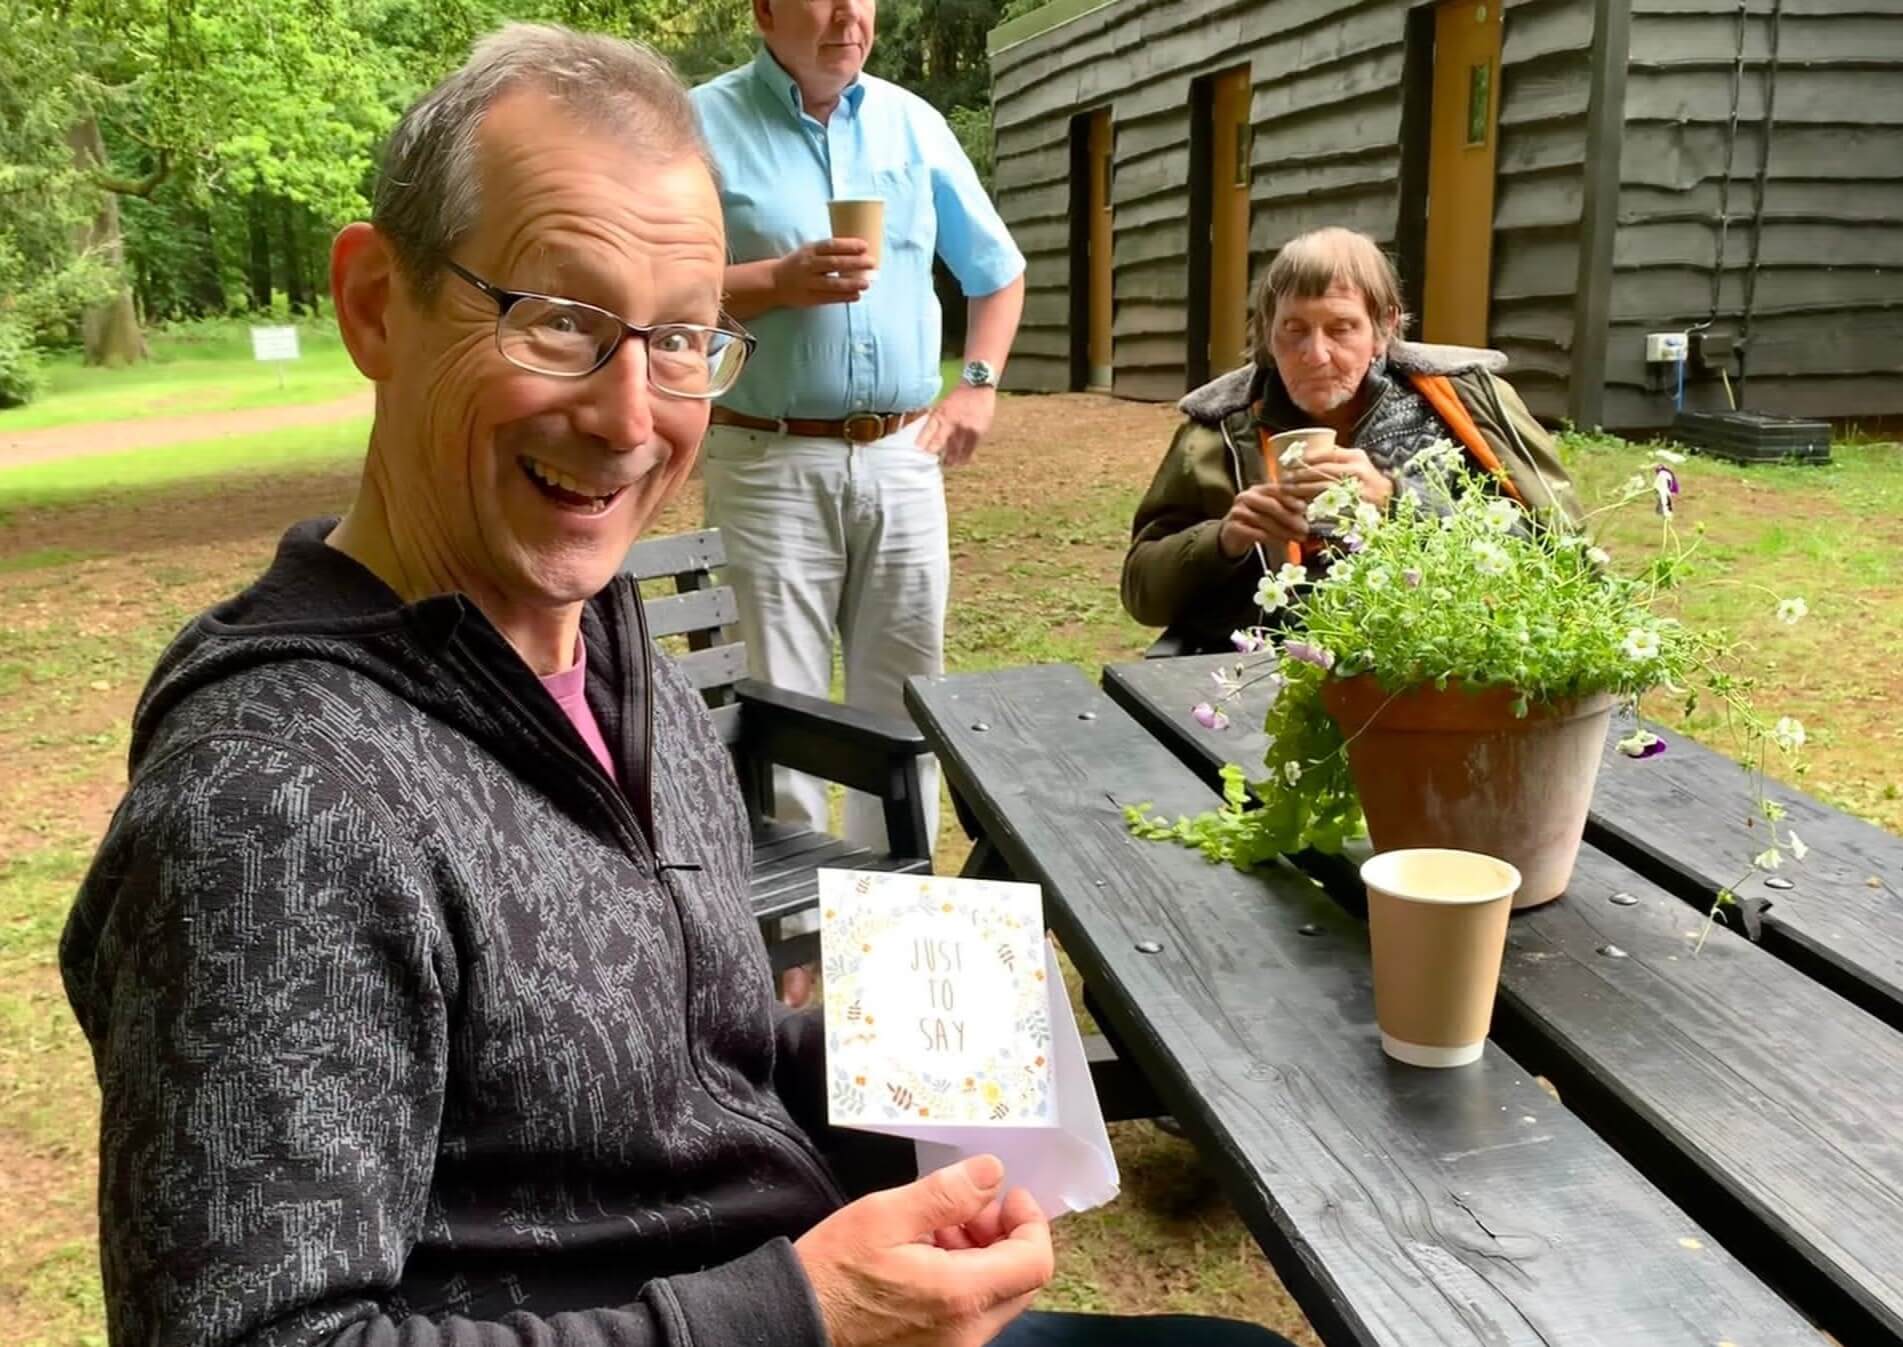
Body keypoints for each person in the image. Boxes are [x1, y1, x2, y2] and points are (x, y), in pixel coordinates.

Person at [58, 24, 1293, 1347]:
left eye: (685, 339)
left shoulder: (603, 646)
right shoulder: (270, 808)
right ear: (374, 306)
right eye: (562, 322)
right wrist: (812, 1308)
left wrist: (936, 1062)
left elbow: (665, 1065)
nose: (630, 416)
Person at [691, 0, 1027, 857]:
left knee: (905, 702)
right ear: (766, 9)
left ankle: (892, 916)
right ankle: (790, 940)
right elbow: (651, 291)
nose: (849, 14)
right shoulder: (699, 126)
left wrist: (976, 387)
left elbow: (997, 271)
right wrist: (774, 279)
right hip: (765, 453)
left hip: (903, 456)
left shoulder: (912, 125)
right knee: (773, 698)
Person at [1121, 226, 1579, 653]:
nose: (1315, 355)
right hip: (1266, 668)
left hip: (1441, 659)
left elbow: (1566, 557)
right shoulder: (1218, 429)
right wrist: (1223, 540)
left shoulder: (1464, 404)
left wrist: (1399, 503)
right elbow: (1142, 594)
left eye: (1341, 329)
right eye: (1293, 329)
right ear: (1267, 329)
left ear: (1384, 328)